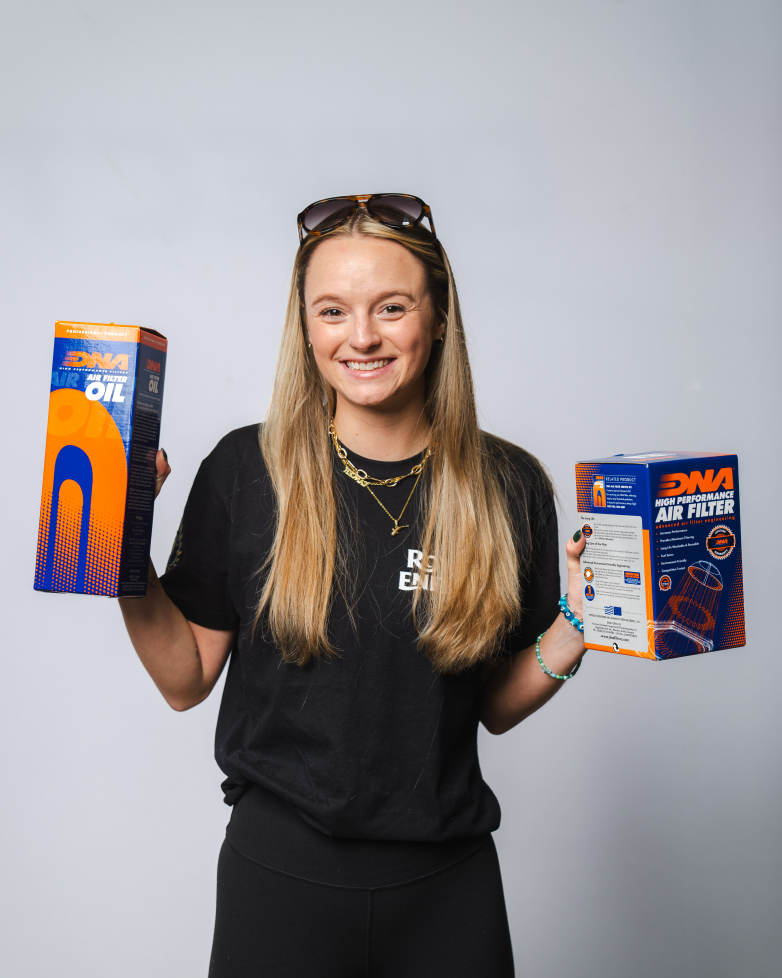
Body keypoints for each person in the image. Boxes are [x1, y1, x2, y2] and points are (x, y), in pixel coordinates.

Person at [119, 193, 587, 978]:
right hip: (280, 882)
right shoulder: (246, 469)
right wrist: (121, 552)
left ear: (439, 318)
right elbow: (185, 679)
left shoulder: (508, 485)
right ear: (305, 328)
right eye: (332, 310)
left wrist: (578, 629)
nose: (361, 336)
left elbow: (494, 707)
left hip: (448, 887)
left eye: (391, 307)